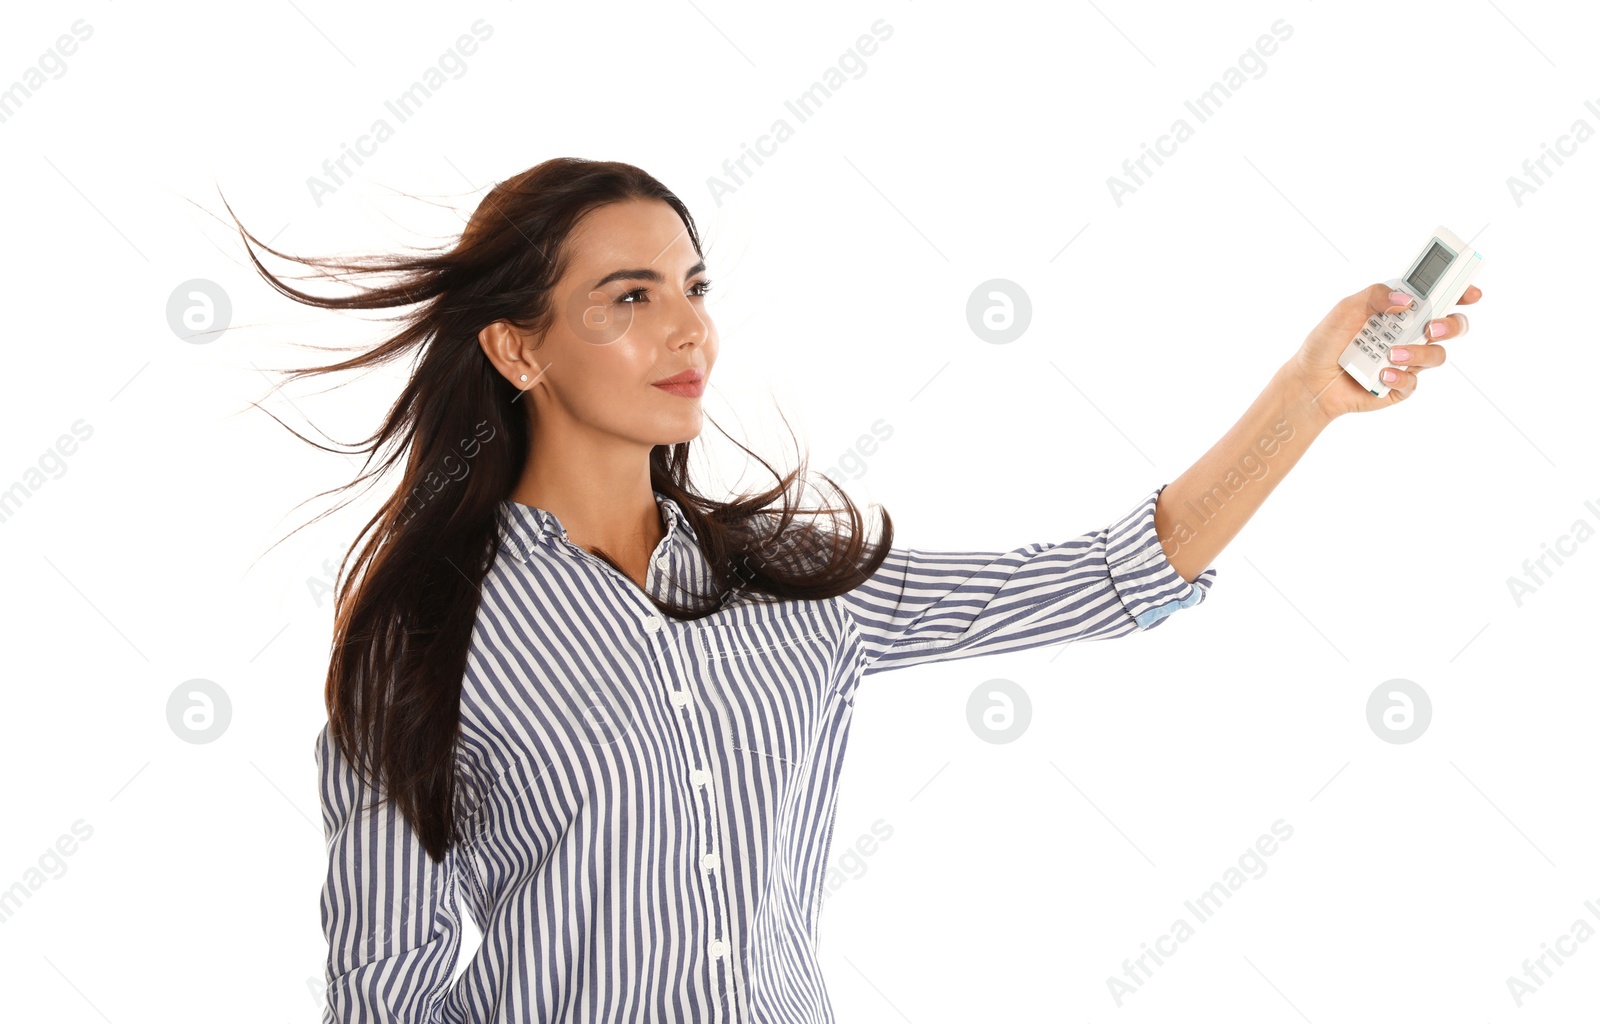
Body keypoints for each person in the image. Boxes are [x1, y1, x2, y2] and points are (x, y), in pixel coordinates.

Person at [234, 157, 1479, 1022]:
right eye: (630, 297)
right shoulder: (426, 636)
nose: (689, 332)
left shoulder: (794, 586)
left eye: (693, 287)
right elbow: (386, 984)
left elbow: (1108, 577)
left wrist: (1306, 397)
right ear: (516, 347)